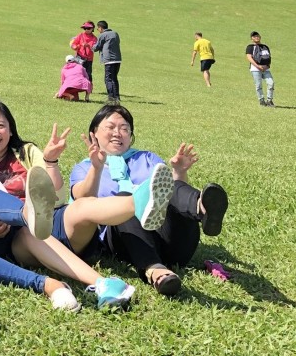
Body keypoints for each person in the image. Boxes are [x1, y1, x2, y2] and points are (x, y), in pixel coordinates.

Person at [0, 100, 170, 304]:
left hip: (48, 221)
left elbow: (56, 197)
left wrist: (50, 162)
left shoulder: (25, 152)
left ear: (11, 129)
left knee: (81, 205)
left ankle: (139, 200)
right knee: (28, 231)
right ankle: (103, 283)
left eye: (0, 125)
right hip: (15, 237)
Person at [69, 104, 229, 296]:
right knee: (127, 200)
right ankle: (155, 270)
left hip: (173, 244)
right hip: (124, 242)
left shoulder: (147, 158)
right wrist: (97, 168)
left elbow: (169, 195)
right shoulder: (83, 168)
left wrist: (179, 172)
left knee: (169, 184)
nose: (118, 133)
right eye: (110, 127)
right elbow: (82, 201)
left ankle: (201, 207)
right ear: (94, 133)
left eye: (125, 128)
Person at [93, 20, 121, 104]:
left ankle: (111, 97)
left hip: (109, 60)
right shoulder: (115, 33)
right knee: (114, 78)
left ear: (100, 28)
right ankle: (116, 97)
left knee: (108, 79)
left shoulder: (103, 35)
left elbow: (96, 47)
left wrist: (90, 46)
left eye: (98, 28)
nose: (98, 30)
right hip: (117, 59)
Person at [245, 31, 274, 107]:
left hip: (265, 68)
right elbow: (249, 57)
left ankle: (269, 100)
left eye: (257, 36)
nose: (256, 37)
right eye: (254, 36)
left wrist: (267, 66)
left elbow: (269, 57)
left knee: (271, 83)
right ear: (252, 38)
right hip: (255, 69)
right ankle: (261, 100)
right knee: (258, 85)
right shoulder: (250, 47)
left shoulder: (265, 47)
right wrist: (258, 66)